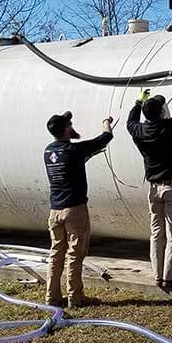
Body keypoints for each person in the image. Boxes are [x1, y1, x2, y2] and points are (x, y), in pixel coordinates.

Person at [127, 71, 172, 288]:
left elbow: (130, 122)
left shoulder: (140, 131)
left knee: (157, 233)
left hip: (154, 189)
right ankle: (170, 277)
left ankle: (158, 275)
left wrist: (138, 102)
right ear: (161, 112)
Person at [44, 111, 113, 308]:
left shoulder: (48, 151)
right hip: (74, 210)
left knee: (56, 254)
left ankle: (52, 297)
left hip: (54, 211)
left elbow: (68, 164)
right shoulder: (74, 150)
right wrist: (106, 123)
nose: (72, 126)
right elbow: (105, 138)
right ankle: (75, 297)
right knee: (75, 254)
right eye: (69, 124)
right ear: (66, 129)